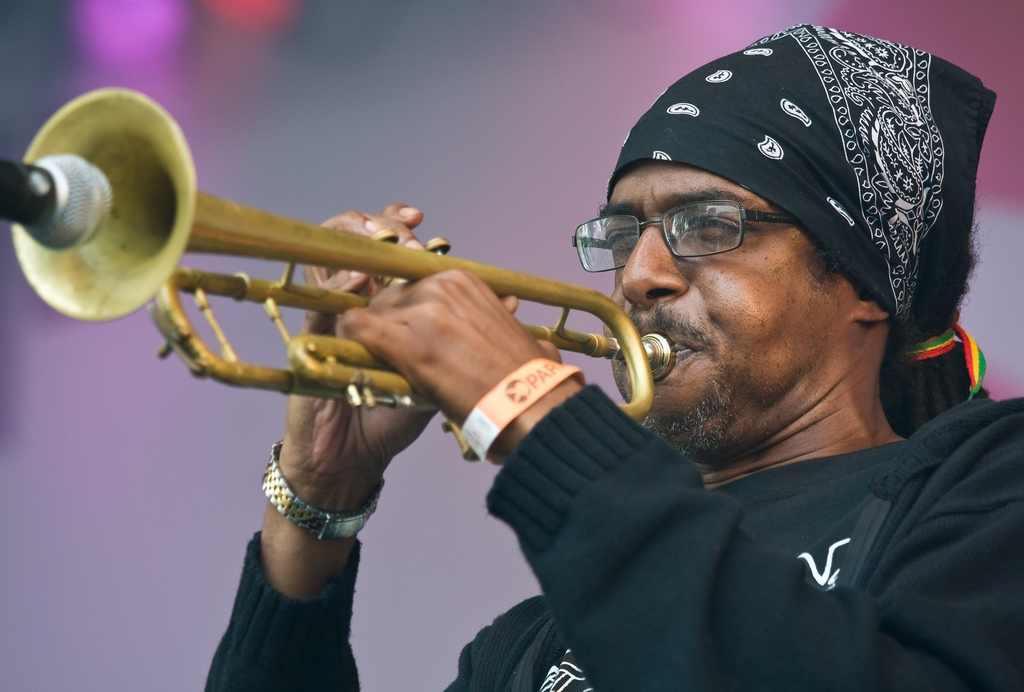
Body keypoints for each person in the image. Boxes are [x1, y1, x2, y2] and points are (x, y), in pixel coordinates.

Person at [206, 25, 1024, 691]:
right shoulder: (523, 649)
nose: (640, 276)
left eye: (709, 225)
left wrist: (532, 406)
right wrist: (316, 499)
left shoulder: (990, 487)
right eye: (624, 235)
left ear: (863, 283)